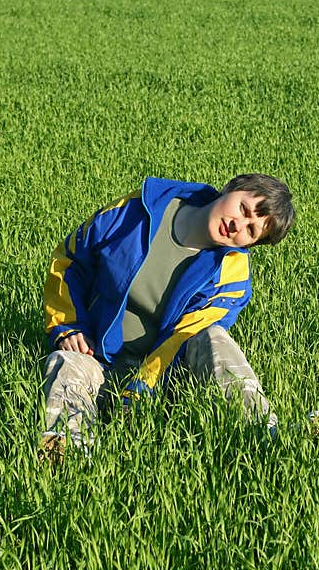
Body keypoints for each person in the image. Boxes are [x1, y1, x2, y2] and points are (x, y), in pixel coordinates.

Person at [37, 173, 295, 463]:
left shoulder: (231, 275)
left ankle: (269, 438)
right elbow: (70, 259)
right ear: (230, 189)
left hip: (164, 385)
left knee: (214, 336)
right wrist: (69, 325)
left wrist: (141, 389)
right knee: (64, 363)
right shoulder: (140, 209)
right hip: (96, 356)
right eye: (243, 209)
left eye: (251, 231)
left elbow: (182, 339)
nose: (237, 225)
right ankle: (68, 457)